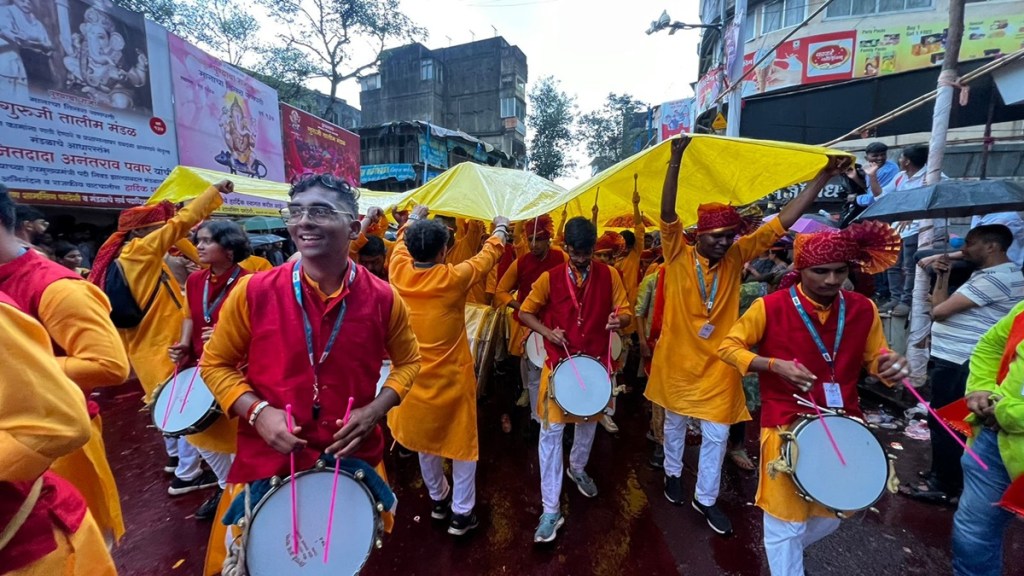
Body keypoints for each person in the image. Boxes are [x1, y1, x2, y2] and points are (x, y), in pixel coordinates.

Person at [200, 174, 420, 554]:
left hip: (351, 459)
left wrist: (376, 410)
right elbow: (214, 364)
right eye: (296, 211)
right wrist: (258, 413)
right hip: (268, 460)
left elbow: (409, 362)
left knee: (336, 556)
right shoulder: (253, 291)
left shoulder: (384, 298)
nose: (303, 221)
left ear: (353, 228)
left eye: (319, 211)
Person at [646, 137, 844, 536]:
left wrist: (821, 177)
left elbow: (782, 222)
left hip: (719, 362)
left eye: (728, 235)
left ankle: (705, 498)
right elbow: (667, 213)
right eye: (716, 235)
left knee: (718, 434)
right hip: (676, 361)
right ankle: (671, 473)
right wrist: (675, 158)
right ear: (698, 235)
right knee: (673, 425)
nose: (724, 241)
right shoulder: (677, 253)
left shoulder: (738, 255)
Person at [718, 222, 908, 576]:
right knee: (785, 519)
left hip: (844, 420)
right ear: (800, 269)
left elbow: (875, 358)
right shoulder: (769, 306)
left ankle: (786, 550)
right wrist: (774, 365)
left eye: (840, 271)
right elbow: (727, 348)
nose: (832, 280)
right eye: (821, 271)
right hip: (785, 423)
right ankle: (786, 557)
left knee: (835, 511)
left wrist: (890, 366)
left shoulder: (862, 308)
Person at [0, 187, 131, 544]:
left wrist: (27, 369)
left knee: (75, 543)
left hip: (61, 443)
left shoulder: (56, 287)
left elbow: (109, 365)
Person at [90, 183, 231, 495]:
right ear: (144, 234)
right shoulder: (141, 253)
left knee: (166, 406)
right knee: (189, 414)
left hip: (147, 350)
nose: (166, 234)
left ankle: (176, 461)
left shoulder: (124, 257)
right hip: (165, 348)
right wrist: (212, 193)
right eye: (157, 229)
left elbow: (176, 234)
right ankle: (188, 475)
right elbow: (178, 226)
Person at [387, 204, 508, 536]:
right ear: (444, 251)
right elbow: (487, 257)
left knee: (425, 443)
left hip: (412, 382)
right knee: (461, 446)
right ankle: (461, 514)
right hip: (451, 380)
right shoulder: (453, 278)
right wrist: (501, 228)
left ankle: (440, 501)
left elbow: (399, 244)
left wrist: (412, 219)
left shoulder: (397, 270)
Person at [518, 216, 631, 543]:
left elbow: (625, 311)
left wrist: (618, 320)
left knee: (588, 424)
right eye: (575, 251)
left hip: (595, 365)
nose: (581, 258)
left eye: (587, 251)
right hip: (559, 365)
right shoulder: (548, 278)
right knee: (550, 435)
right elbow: (526, 312)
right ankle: (550, 508)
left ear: (593, 247)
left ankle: (578, 468)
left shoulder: (609, 275)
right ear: (565, 247)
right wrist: (548, 331)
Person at [903, 225, 1024, 505]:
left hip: (963, 360)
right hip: (953, 358)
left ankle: (945, 484)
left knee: (948, 422)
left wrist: (942, 283)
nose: (964, 249)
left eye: (970, 243)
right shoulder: (986, 276)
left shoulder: (999, 278)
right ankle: (942, 474)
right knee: (943, 419)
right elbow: (938, 303)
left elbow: (939, 311)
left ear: (991, 246)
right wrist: (942, 276)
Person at [0, 291, 116, 576]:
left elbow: (110, 366)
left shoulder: (53, 284)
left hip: (27, 536)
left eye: (206, 241)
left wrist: (44, 364)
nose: (201, 245)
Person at [167, 220, 255, 520]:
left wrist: (225, 333)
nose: (199, 247)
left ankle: (239, 493)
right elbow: (191, 315)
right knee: (197, 435)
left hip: (235, 370)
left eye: (206, 241)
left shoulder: (250, 283)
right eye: (198, 240)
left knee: (234, 440)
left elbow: (263, 329)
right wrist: (182, 346)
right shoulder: (195, 281)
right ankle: (225, 486)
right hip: (197, 367)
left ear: (229, 250)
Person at [950, 300, 1024, 576]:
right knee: (973, 532)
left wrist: (1005, 411)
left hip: (1003, 423)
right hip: (996, 443)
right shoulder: (1022, 311)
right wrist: (980, 388)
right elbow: (990, 345)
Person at [495, 215, 568, 436]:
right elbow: (501, 291)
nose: (534, 244)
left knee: (558, 371)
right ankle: (536, 417)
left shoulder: (561, 257)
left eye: (539, 239)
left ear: (548, 240)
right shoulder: (521, 262)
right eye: (530, 239)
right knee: (532, 368)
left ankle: (560, 415)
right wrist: (522, 307)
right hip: (529, 324)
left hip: (557, 324)